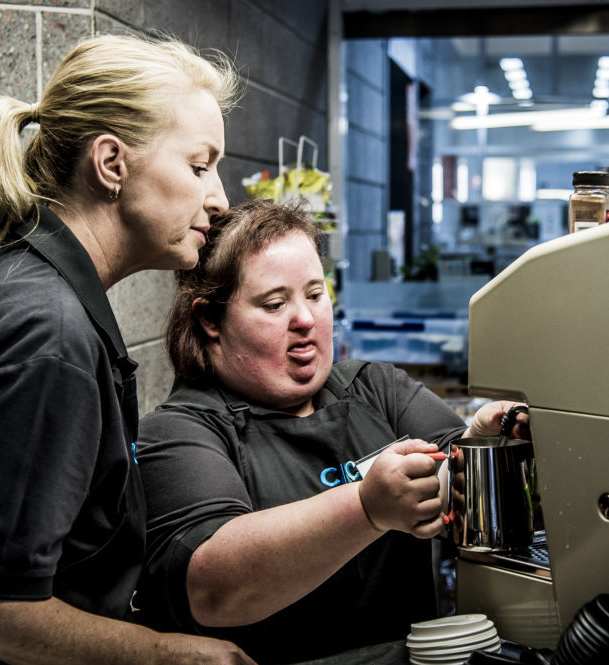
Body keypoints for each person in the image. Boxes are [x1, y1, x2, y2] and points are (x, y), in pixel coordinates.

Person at [0, 34, 257, 665]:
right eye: (199, 166)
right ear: (111, 163)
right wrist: (167, 654)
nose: (220, 199)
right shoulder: (47, 333)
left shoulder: (22, 284)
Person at [134, 198, 529, 664]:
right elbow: (215, 589)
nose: (305, 319)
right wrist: (367, 506)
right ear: (209, 320)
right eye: (275, 303)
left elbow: (455, 488)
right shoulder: (178, 433)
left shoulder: (376, 389)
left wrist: (481, 445)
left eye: (315, 294)